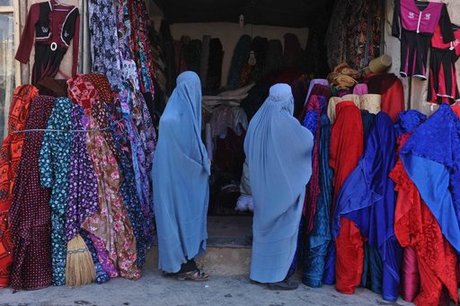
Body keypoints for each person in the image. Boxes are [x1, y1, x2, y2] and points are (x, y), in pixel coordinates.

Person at [244, 83, 314, 290]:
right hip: (283, 189)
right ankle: (274, 277)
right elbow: (306, 142)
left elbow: (247, 148)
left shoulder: (257, 119)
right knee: (282, 232)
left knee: (262, 230)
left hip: (261, 186)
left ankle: (259, 273)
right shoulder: (286, 123)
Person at [152, 71, 211, 281]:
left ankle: (177, 265)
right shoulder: (175, 119)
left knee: (175, 217)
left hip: (170, 176)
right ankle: (184, 266)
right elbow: (190, 153)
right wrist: (205, 165)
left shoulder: (172, 114)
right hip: (176, 177)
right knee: (181, 216)